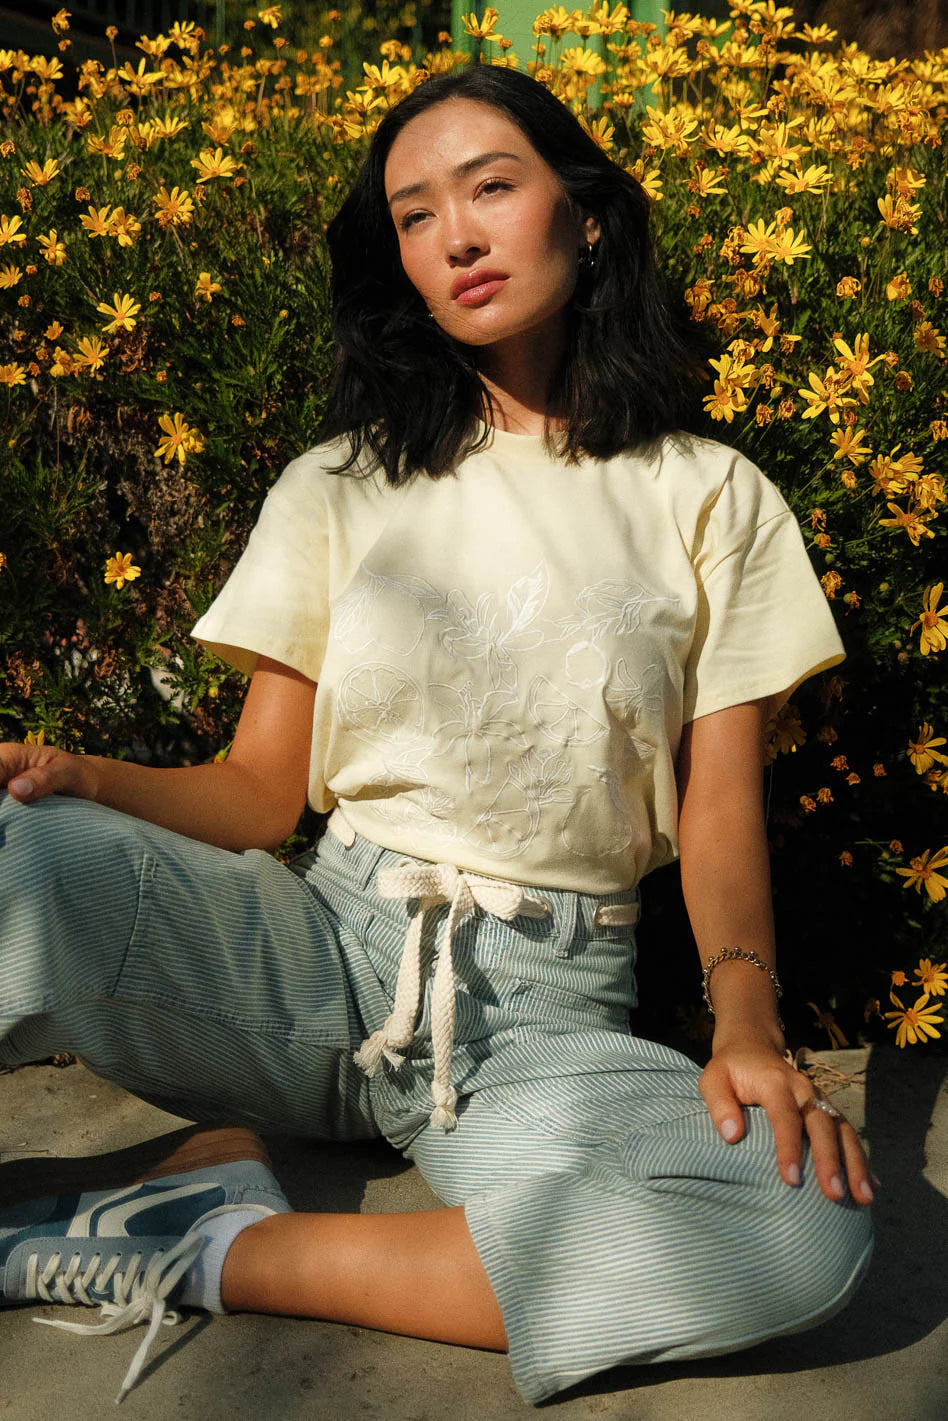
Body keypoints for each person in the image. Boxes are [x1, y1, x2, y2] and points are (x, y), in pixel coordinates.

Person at [0, 64, 873, 1408]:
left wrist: (747, 1024)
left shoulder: (714, 499)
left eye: (491, 188)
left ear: (585, 219)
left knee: (797, 1217)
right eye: (414, 214)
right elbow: (257, 796)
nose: (454, 236)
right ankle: (223, 1174)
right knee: (14, 851)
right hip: (306, 963)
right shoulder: (341, 485)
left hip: (546, 1020)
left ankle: (218, 1242)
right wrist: (77, 781)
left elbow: (716, 812)